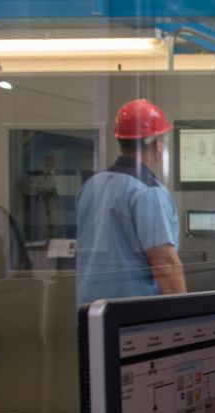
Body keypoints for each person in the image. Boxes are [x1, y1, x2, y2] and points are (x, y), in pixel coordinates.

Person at [76, 98, 185, 306]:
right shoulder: (148, 191)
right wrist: (185, 317)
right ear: (156, 143)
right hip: (132, 318)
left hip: (90, 311)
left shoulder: (91, 185)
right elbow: (164, 263)